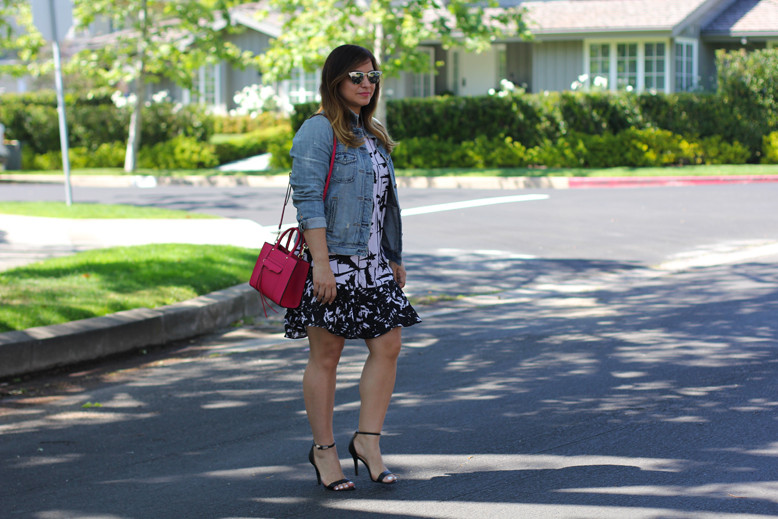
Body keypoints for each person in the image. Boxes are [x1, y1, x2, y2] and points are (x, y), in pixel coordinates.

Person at [286, 44, 422, 492]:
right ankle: (324, 451)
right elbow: (308, 201)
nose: (367, 84)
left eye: (372, 76)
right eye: (356, 77)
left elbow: (387, 204)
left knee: (389, 346)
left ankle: (367, 441)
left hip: (374, 266)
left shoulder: (374, 134)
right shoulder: (318, 130)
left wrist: (394, 256)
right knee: (327, 355)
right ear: (335, 82)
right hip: (334, 265)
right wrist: (321, 265)